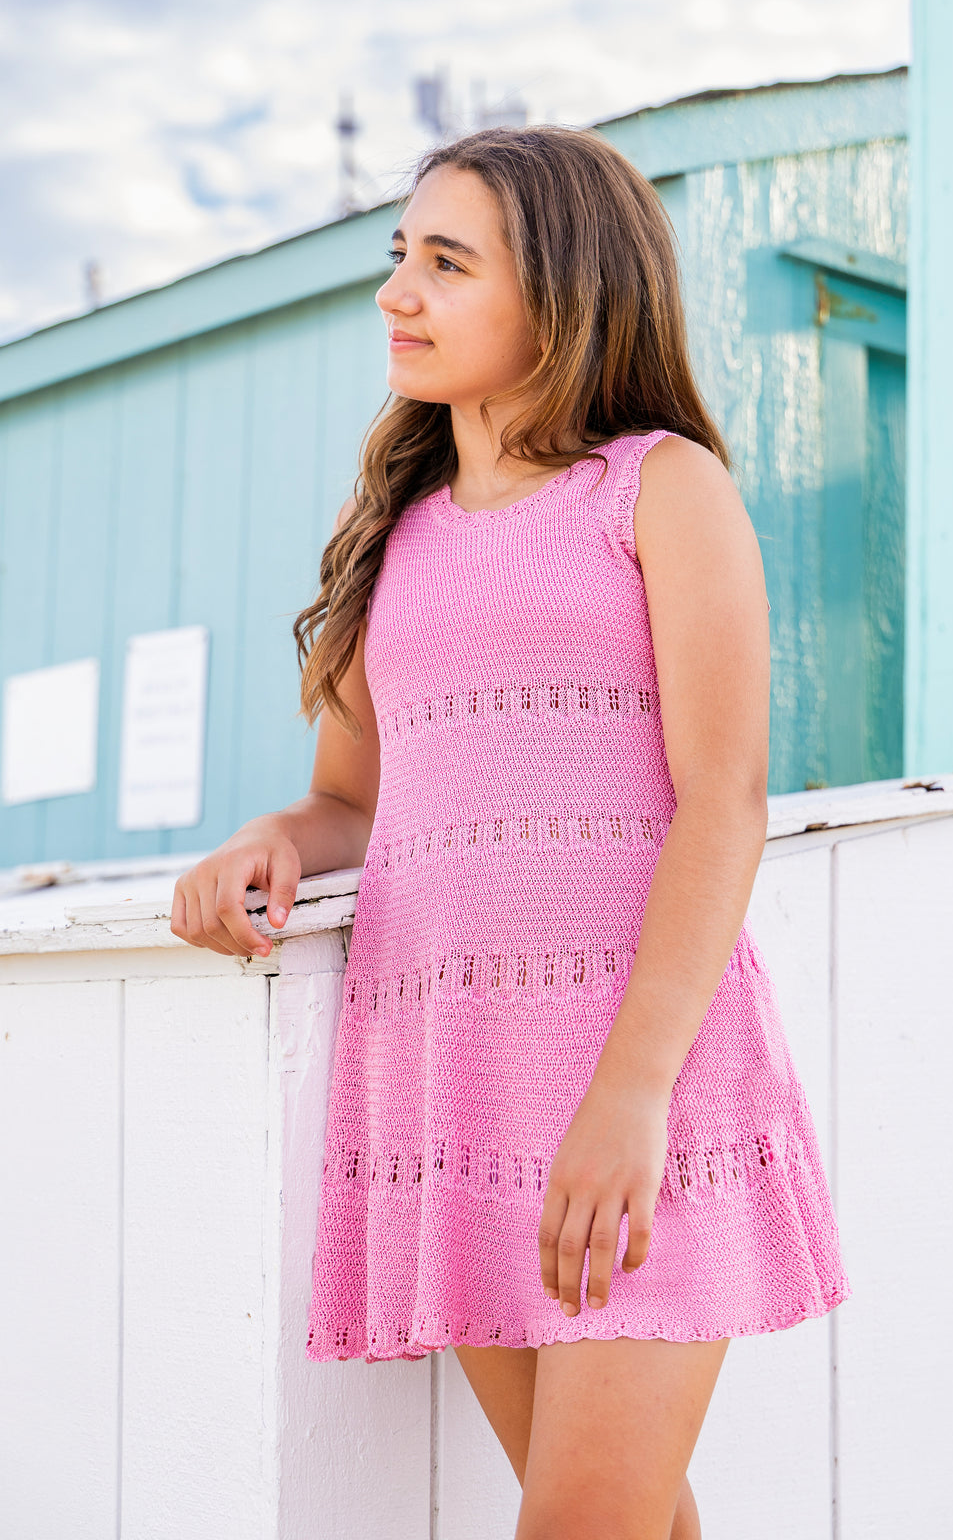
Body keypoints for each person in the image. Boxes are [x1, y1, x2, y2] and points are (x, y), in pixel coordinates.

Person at [171, 124, 850, 1540]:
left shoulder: (663, 490)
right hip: (455, 1092)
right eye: (398, 257)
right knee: (634, 1520)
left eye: (446, 262)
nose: (397, 294)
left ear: (562, 289)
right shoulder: (395, 533)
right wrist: (275, 838)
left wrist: (631, 1096)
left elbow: (723, 799)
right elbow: (354, 794)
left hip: (638, 1085)